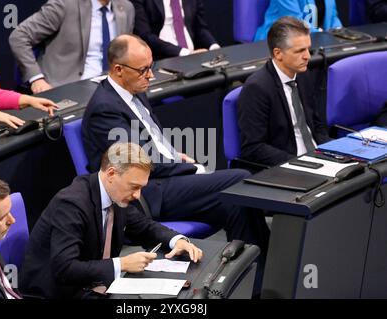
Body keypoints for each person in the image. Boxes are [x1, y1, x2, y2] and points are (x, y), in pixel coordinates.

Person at [82, 34, 270, 254]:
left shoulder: (132, 91)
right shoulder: (104, 109)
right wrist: (189, 168)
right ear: (118, 70)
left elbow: (152, 141)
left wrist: (175, 156)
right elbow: (139, 162)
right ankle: (262, 266)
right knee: (239, 179)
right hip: (146, 191)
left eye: (150, 67)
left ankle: (253, 274)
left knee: (235, 203)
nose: (150, 75)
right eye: (142, 70)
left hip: (165, 177)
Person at [19, 142, 203, 298]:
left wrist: (177, 240)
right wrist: (122, 264)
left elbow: (144, 227)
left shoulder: (115, 195)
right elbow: (65, 268)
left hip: (94, 284)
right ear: (111, 174)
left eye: (141, 187)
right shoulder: (71, 204)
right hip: (58, 292)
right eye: (134, 186)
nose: (137, 195)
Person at [238, 16, 330, 167]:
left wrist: (332, 151)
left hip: (317, 157)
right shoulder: (257, 88)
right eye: (300, 51)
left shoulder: (303, 75)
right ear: (278, 53)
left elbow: (316, 123)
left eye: (308, 48)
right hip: (288, 164)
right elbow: (253, 147)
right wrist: (300, 163)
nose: (307, 56)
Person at [9, 0, 135, 94]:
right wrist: (37, 79)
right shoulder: (64, 4)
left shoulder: (126, 8)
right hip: (68, 86)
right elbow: (19, 37)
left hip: (112, 86)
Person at [130, 0, 220, 60]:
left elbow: (199, 26)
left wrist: (214, 47)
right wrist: (184, 53)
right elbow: (145, 35)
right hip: (161, 59)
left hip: (193, 57)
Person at [254, 0, 342, 41]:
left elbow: (333, 16)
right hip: (279, 40)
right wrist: (324, 35)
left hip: (315, 40)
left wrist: (340, 33)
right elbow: (294, 22)